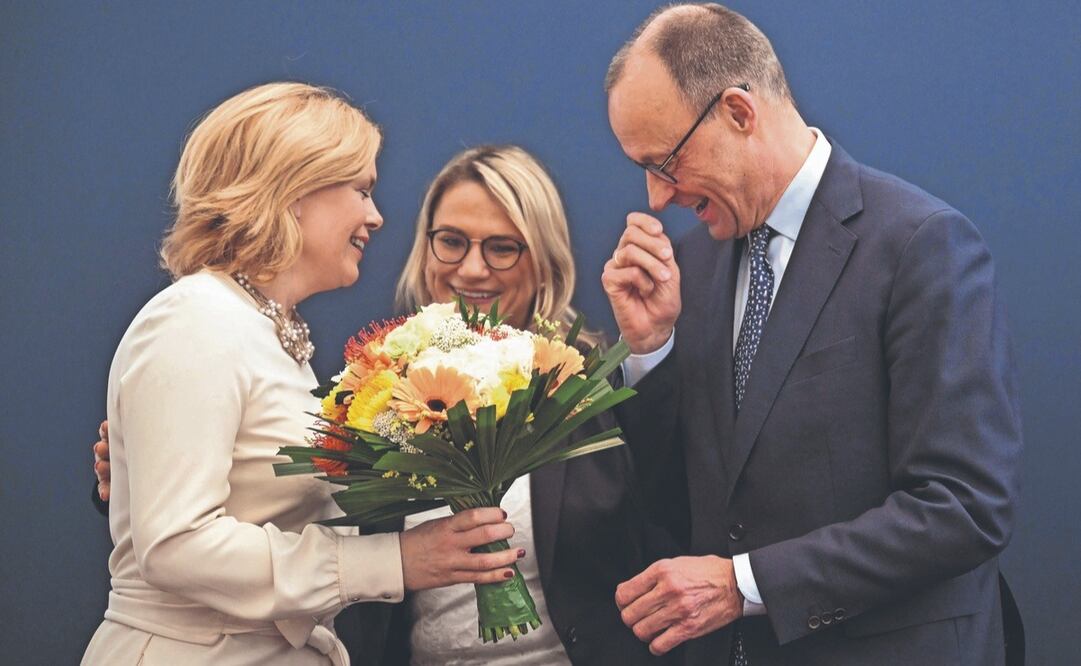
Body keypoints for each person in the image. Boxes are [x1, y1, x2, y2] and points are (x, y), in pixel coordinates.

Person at [93, 144, 676, 665]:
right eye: (451, 241)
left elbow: (675, 506)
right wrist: (147, 470)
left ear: (545, 259)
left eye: (502, 248)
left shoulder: (589, 385)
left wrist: (651, 351)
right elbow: (292, 516)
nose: (472, 268)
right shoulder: (378, 388)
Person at [600, 4, 1023, 666]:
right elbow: (677, 502)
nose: (657, 198)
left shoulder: (919, 245)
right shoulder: (691, 271)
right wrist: (651, 352)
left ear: (739, 114)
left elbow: (962, 507)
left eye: (666, 163)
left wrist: (745, 585)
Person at [82, 83, 520, 666]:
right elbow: (176, 545)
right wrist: (396, 561)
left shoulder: (266, 329)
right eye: (362, 189)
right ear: (292, 190)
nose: (376, 216)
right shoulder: (194, 321)